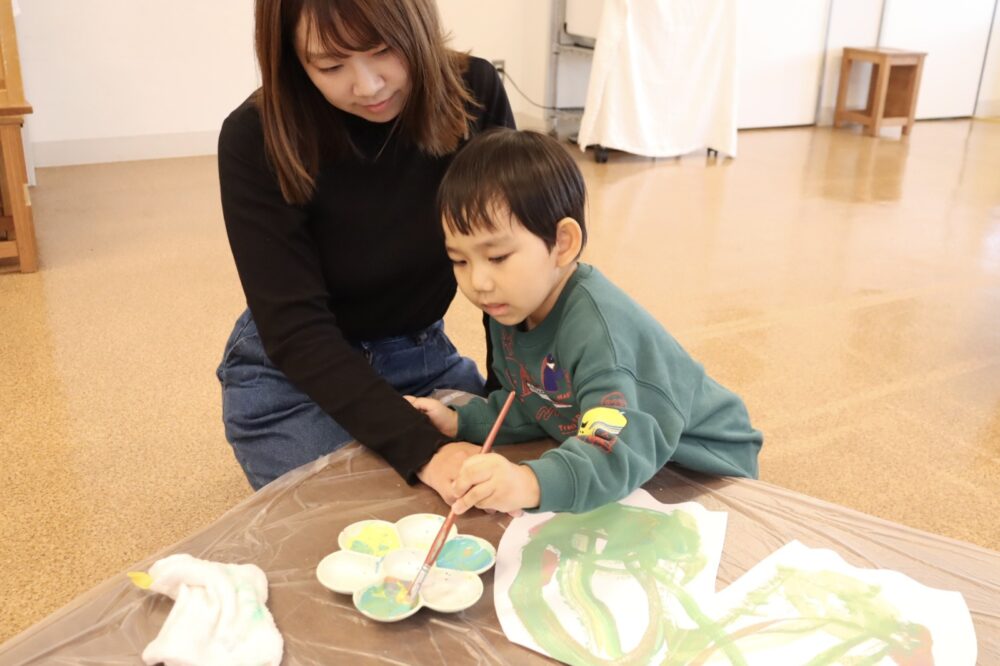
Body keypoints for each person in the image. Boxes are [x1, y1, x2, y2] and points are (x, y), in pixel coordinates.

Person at [216, 0, 515, 494]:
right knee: (370, 521)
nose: (368, 86)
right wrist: (424, 450)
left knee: (505, 486)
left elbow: (515, 266)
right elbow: (296, 330)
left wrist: (512, 400)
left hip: (422, 357)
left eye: (383, 50)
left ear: (416, 24)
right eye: (330, 66)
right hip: (296, 378)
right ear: (292, 58)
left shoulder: (474, 92)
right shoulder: (255, 137)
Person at [408, 129, 763, 515]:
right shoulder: (512, 304)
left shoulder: (597, 332)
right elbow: (538, 402)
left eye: (497, 257)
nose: (478, 282)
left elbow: (615, 445)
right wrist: (459, 422)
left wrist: (529, 483)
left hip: (703, 468)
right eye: (460, 260)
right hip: (633, 459)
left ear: (563, 243)